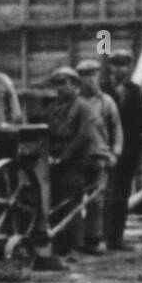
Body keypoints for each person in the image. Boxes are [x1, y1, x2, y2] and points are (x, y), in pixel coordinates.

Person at [44, 66, 97, 258]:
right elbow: (45, 135)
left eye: (64, 83)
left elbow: (84, 136)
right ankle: (59, 244)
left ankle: (75, 245)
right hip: (53, 162)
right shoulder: (51, 108)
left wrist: (63, 157)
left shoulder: (83, 107)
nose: (61, 88)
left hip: (75, 162)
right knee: (55, 202)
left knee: (72, 202)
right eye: (57, 84)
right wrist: (49, 156)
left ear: (75, 85)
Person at [75, 58, 123, 255]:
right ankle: (75, 240)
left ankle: (93, 240)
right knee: (74, 200)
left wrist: (115, 153)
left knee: (96, 201)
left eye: (93, 75)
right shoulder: (74, 101)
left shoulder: (106, 101)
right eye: (85, 76)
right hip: (76, 159)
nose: (90, 80)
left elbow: (116, 128)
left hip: (100, 157)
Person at [103, 49, 142, 251]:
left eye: (123, 65)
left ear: (129, 68)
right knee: (103, 193)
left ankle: (116, 238)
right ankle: (100, 236)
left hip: (128, 152)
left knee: (121, 194)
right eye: (116, 64)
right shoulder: (102, 90)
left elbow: (140, 123)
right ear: (110, 67)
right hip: (105, 149)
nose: (119, 69)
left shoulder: (136, 91)